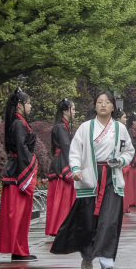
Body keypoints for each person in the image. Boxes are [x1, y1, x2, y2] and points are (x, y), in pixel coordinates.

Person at [51, 90, 135, 269]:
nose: (103, 105)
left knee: (110, 221)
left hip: (112, 177)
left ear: (113, 106)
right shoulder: (85, 128)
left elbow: (129, 151)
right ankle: (87, 254)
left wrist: (121, 160)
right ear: (95, 106)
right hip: (90, 178)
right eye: (99, 102)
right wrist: (75, 169)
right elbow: (74, 151)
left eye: (107, 102)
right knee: (88, 221)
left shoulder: (120, 129)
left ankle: (107, 263)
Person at [0, 86, 38, 262]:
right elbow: (21, 148)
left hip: (17, 169)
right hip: (18, 172)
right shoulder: (19, 123)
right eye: (27, 103)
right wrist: (27, 170)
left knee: (21, 215)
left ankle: (20, 248)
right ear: (20, 105)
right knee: (18, 215)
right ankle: (18, 249)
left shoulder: (19, 122)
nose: (30, 106)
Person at [46, 98, 76, 236]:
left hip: (63, 160)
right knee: (62, 199)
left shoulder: (64, 126)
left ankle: (64, 227)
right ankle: (60, 227)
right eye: (73, 109)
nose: (74, 112)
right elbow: (66, 147)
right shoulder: (60, 127)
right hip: (62, 163)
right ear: (65, 111)